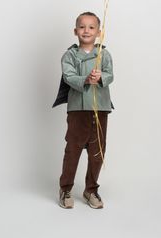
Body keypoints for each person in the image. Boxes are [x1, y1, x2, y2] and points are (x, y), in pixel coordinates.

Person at [53, 11, 114, 209]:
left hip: (100, 108)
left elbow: (110, 75)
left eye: (91, 27)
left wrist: (101, 77)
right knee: (73, 150)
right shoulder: (69, 55)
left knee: (98, 152)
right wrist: (86, 80)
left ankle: (91, 189)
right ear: (75, 31)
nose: (86, 30)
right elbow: (69, 77)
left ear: (99, 32)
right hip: (78, 110)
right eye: (82, 27)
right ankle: (66, 188)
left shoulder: (103, 54)